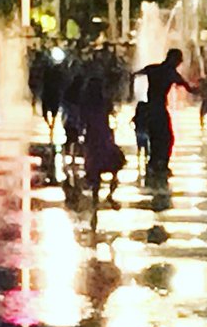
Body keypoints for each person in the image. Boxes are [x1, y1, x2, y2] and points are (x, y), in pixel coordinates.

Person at [134, 48, 196, 175]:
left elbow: (135, 74)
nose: (180, 63)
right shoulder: (170, 73)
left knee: (155, 137)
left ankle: (154, 163)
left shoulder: (153, 68)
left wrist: (131, 92)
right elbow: (188, 88)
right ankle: (161, 164)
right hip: (159, 109)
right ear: (173, 59)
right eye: (179, 60)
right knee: (167, 138)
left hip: (149, 108)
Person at [81, 76, 125, 208]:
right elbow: (112, 114)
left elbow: (83, 120)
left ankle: (95, 198)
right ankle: (110, 193)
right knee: (115, 167)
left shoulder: (86, 103)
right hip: (104, 136)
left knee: (95, 169)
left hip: (92, 137)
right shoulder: (105, 102)